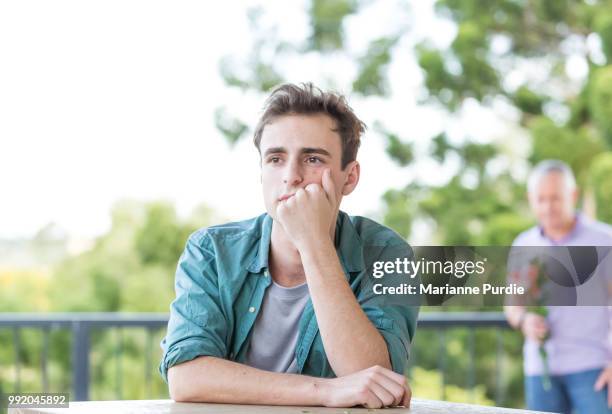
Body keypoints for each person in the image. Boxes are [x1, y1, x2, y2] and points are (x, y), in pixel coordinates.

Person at [158, 83, 419, 409]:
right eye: (276, 158)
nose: (291, 176)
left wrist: (313, 242)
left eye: (312, 158)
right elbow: (186, 377)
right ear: (262, 171)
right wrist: (326, 391)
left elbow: (373, 378)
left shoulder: (388, 253)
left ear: (349, 177)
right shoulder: (211, 251)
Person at [504, 160, 612, 413]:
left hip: (594, 369)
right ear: (530, 199)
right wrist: (524, 322)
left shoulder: (605, 239)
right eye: (540, 199)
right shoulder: (523, 244)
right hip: (540, 374)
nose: (547, 207)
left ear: (572, 195)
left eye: (555, 198)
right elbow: (512, 306)